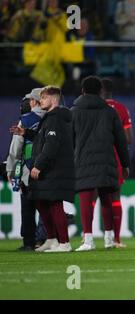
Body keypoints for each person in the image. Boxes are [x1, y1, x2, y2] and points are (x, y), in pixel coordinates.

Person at [10, 86, 75, 253]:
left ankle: (64, 243)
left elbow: (51, 145)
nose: (41, 102)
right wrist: (26, 133)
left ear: (53, 99)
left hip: (55, 168)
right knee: (41, 201)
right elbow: (42, 139)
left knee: (54, 204)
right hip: (51, 168)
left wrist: (39, 165)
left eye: (44, 99)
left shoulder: (56, 118)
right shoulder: (50, 118)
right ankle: (52, 240)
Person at [72, 76, 130, 252]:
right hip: (106, 161)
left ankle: (88, 240)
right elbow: (121, 141)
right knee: (107, 200)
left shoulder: (73, 111)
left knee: (85, 200)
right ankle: (109, 238)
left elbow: (69, 140)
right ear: (100, 91)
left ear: (82, 91)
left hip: (83, 162)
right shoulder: (110, 112)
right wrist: (125, 164)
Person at [6, 88, 46, 251]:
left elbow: (16, 148)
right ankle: (46, 238)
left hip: (28, 169)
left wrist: (10, 169)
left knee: (28, 206)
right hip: (49, 168)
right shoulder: (53, 117)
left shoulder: (26, 119)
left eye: (30, 100)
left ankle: (29, 241)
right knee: (48, 205)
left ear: (35, 101)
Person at [98, 78, 133, 248]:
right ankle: (116, 239)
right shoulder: (121, 109)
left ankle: (87, 237)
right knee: (115, 197)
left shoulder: (94, 108)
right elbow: (129, 139)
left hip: (95, 157)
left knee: (93, 196)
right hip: (116, 158)